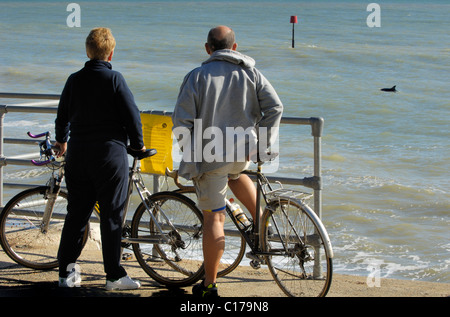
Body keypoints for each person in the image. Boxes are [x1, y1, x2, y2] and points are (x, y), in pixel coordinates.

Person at [172, 25, 283, 297]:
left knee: (214, 219)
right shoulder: (251, 73)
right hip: (242, 153)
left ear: (208, 48)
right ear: (234, 48)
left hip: (211, 157)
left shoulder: (197, 77)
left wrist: (191, 155)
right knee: (236, 175)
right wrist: (262, 143)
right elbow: (275, 107)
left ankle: (209, 285)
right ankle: (262, 222)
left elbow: (181, 121)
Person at [54, 27, 145, 290]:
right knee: (111, 216)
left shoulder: (74, 79)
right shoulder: (115, 79)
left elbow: (62, 116)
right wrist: (137, 145)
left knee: (76, 215)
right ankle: (114, 276)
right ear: (111, 52)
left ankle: (66, 275)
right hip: (109, 156)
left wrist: (62, 140)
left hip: (78, 155)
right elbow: (132, 116)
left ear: (87, 51)